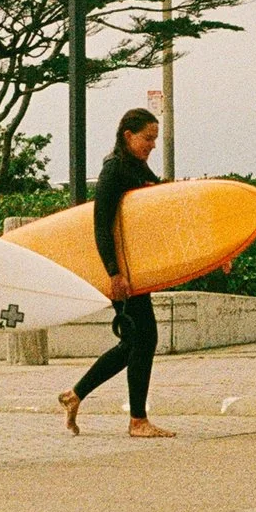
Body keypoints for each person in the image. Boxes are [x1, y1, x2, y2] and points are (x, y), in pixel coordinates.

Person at [58, 107, 174, 438]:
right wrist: (114, 273)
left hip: (135, 269)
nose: (152, 144)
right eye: (147, 138)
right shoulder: (114, 170)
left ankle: (75, 395)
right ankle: (137, 421)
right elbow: (101, 226)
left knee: (136, 342)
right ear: (128, 135)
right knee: (142, 338)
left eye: (154, 138)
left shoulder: (136, 167)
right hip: (121, 271)